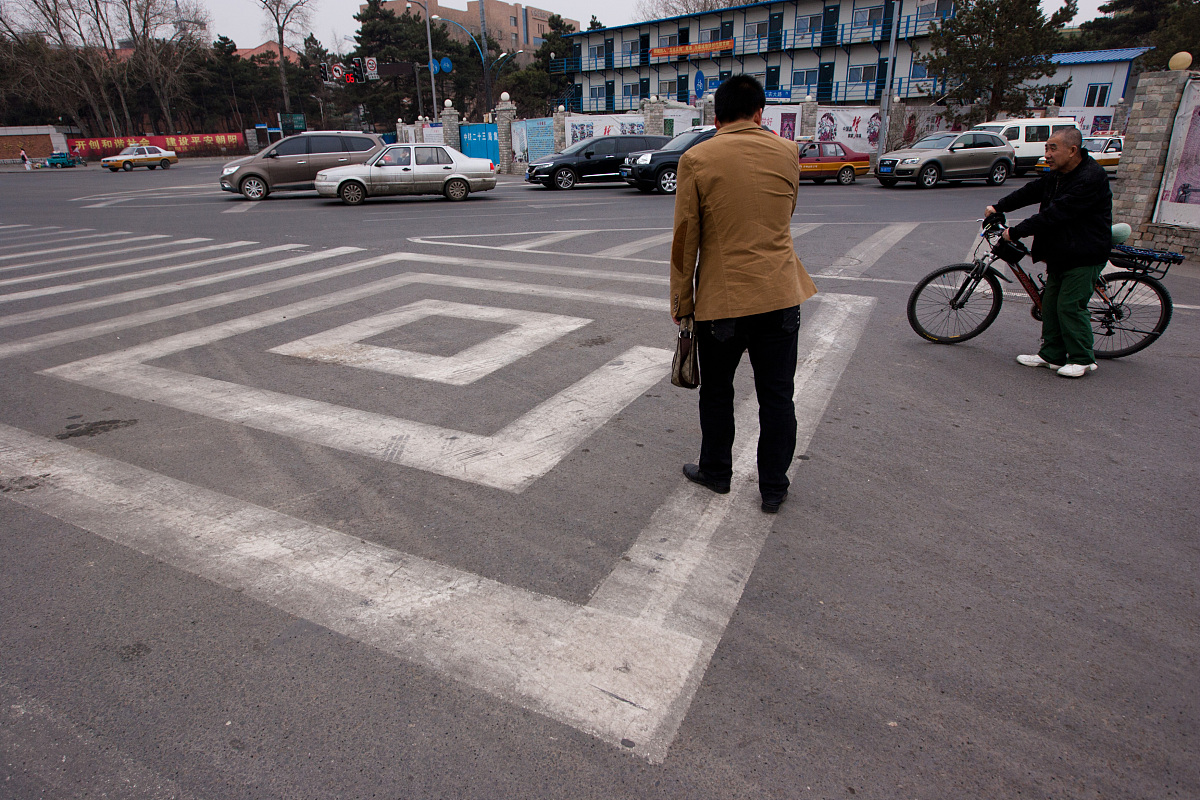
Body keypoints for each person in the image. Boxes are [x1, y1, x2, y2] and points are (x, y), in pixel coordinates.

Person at [669, 74, 818, 514]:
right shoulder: (788, 151)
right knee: (777, 395)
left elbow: (685, 240)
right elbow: (785, 211)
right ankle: (773, 487)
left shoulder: (697, 159)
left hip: (723, 304)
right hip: (780, 296)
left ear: (716, 118)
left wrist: (682, 304)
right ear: (760, 113)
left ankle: (716, 472)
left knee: (717, 392)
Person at [987, 127, 1112, 378]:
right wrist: (999, 206)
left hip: (1084, 252)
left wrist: (1017, 231)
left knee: (1069, 306)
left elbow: (1056, 214)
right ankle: (1052, 354)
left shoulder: (1089, 177)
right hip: (1061, 251)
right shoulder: (1059, 173)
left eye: (1053, 148)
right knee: (1051, 305)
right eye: (1046, 148)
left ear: (1072, 150)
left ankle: (1083, 358)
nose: (1048, 154)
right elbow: (1032, 190)